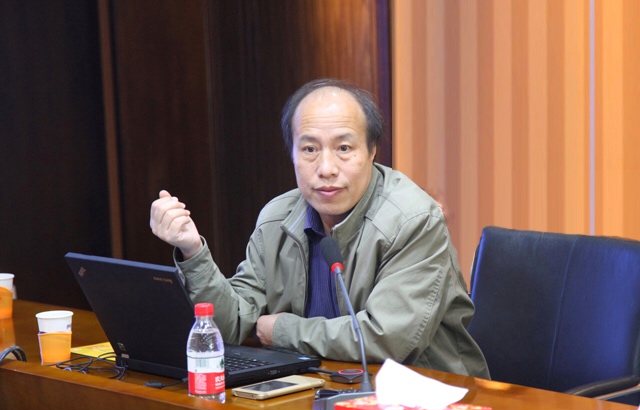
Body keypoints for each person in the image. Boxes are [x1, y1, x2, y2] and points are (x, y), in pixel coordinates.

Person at [150, 78, 489, 379]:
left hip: (429, 396)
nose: (326, 168)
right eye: (310, 149)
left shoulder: (413, 221)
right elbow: (232, 323)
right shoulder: (277, 218)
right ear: (292, 154)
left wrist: (281, 330)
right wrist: (193, 251)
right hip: (318, 388)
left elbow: (386, 340)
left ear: (372, 151)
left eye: (344, 148)